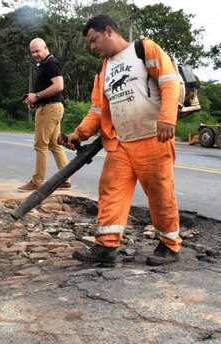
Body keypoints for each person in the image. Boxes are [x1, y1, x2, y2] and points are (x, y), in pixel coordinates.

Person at [63, 15, 183, 266]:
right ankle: (106, 248)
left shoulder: (144, 49)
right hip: (120, 143)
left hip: (153, 137)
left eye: (94, 40)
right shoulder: (104, 70)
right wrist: (79, 133)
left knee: (160, 194)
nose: (92, 47)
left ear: (108, 31)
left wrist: (167, 118)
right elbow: (97, 110)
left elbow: (169, 83)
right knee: (111, 192)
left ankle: (169, 245)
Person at [19, 38, 71, 192]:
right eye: (33, 52)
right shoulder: (44, 64)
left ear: (45, 48)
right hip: (51, 106)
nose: (35, 54)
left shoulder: (51, 63)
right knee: (55, 145)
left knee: (40, 145)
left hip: (50, 108)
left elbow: (59, 86)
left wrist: (38, 96)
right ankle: (66, 179)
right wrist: (34, 98)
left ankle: (37, 181)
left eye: (38, 50)